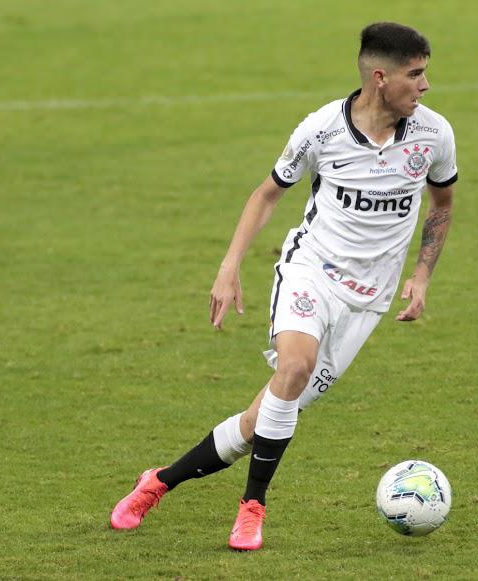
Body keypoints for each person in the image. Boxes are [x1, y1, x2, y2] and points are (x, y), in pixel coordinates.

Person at [110, 21, 458, 551]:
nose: (425, 85)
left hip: (369, 299)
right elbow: (267, 193)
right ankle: (252, 509)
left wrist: (422, 274)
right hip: (310, 270)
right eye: (415, 74)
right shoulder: (322, 130)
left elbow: (442, 204)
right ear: (380, 77)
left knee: (261, 420)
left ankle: (157, 482)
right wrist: (229, 265)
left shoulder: (434, 135)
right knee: (294, 367)